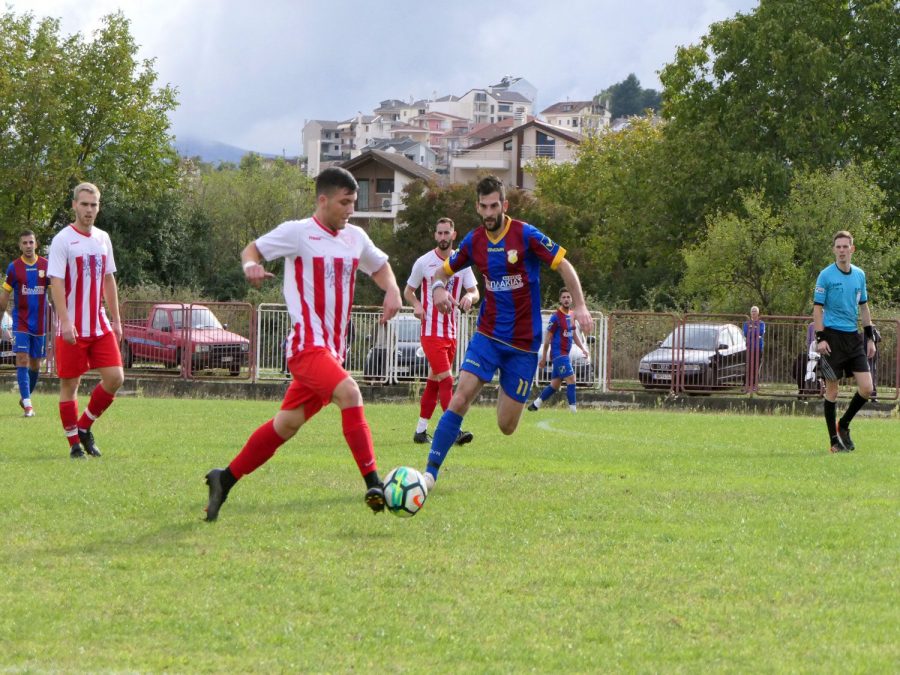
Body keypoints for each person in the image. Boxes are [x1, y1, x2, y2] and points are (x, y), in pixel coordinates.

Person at [204, 167, 402, 521]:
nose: (350, 210)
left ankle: (225, 478)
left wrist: (393, 290)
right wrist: (250, 265)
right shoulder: (298, 233)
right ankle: (373, 483)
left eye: (353, 203)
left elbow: (380, 267)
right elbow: (252, 250)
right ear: (323, 200)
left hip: (333, 352)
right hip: (306, 347)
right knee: (351, 394)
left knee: (286, 424)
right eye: (344, 202)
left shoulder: (355, 237)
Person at [423, 175, 593, 491]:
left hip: (523, 347)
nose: (489, 213)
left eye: (494, 206)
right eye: (483, 207)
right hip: (487, 336)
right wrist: (437, 288)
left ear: (505, 204)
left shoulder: (526, 235)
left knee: (506, 426)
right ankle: (429, 474)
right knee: (459, 399)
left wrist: (580, 305)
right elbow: (442, 270)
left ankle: (509, 386)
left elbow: (564, 265)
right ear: (477, 207)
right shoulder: (474, 241)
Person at [48, 183, 124, 459]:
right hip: (72, 327)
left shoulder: (103, 238)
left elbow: (108, 278)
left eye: (93, 205)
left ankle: (85, 426)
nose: (89, 210)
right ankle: (73, 446)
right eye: (84, 204)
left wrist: (116, 320)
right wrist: (65, 322)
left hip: (99, 324)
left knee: (115, 378)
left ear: (98, 207)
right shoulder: (62, 240)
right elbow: (55, 282)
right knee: (70, 385)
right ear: (74, 206)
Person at [403, 217, 479, 446]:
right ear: (435, 235)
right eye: (440, 233)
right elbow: (408, 291)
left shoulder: (461, 263)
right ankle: (452, 430)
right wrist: (417, 305)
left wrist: (469, 297)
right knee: (447, 380)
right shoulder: (424, 262)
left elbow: (475, 292)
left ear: (454, 235)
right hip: (430, 332)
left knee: (435, 383)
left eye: (447, 233)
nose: (443, 237)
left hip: (451, 333)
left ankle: (420, 432)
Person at [813, 230, 876, 453]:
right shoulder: (825, 276)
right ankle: (833, 442)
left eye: (845, 246)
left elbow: (864, 307)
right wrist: (820, 338)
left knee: (867, 388)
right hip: (831, 338)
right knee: (832, 391)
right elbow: (817, 309)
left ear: (852, 249)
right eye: (838, 247)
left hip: (853, 337)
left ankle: (844, 424)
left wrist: (869, 338)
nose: (841, 251)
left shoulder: (859, 275)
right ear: (834, 250)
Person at [0, 230, 50, 417]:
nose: (28, 246)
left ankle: (25, 396)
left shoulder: (46, 265)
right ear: (20, 246)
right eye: (25, 243)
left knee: (36, 365)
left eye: (31, 242)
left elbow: (55, 292)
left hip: (39, 324)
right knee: (21, 359)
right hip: (20, 323)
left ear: (36, 244)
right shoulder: (13, 268)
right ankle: (28, 406)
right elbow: (4, 296)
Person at [527, 287, 589, 413]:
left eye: (568, 297)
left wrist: (583, 348)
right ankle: (574, 412)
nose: (566, 299)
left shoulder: (572, 315)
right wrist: (544, 357)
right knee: (571, 379)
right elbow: (548, 339)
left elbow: (574, 335)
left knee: (555, 384)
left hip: (564, 354)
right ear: (560, 300)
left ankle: (535, 405)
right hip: (558, 354)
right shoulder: (555, 317)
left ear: (571, 299)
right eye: (564, 297)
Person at [742, 305, 765, 387]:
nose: (754, 313)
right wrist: (755, 332)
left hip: (758, 348)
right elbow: (745, 333)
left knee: (756, 366)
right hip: (749, 347)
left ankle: (755, 385)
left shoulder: (761, 323)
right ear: (750, 313)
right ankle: (746, 384)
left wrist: (751, 331)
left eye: (755, 311)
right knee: (748, 366)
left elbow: (761, 332)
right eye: (752, 311)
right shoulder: (746, 323)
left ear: (758, 313)